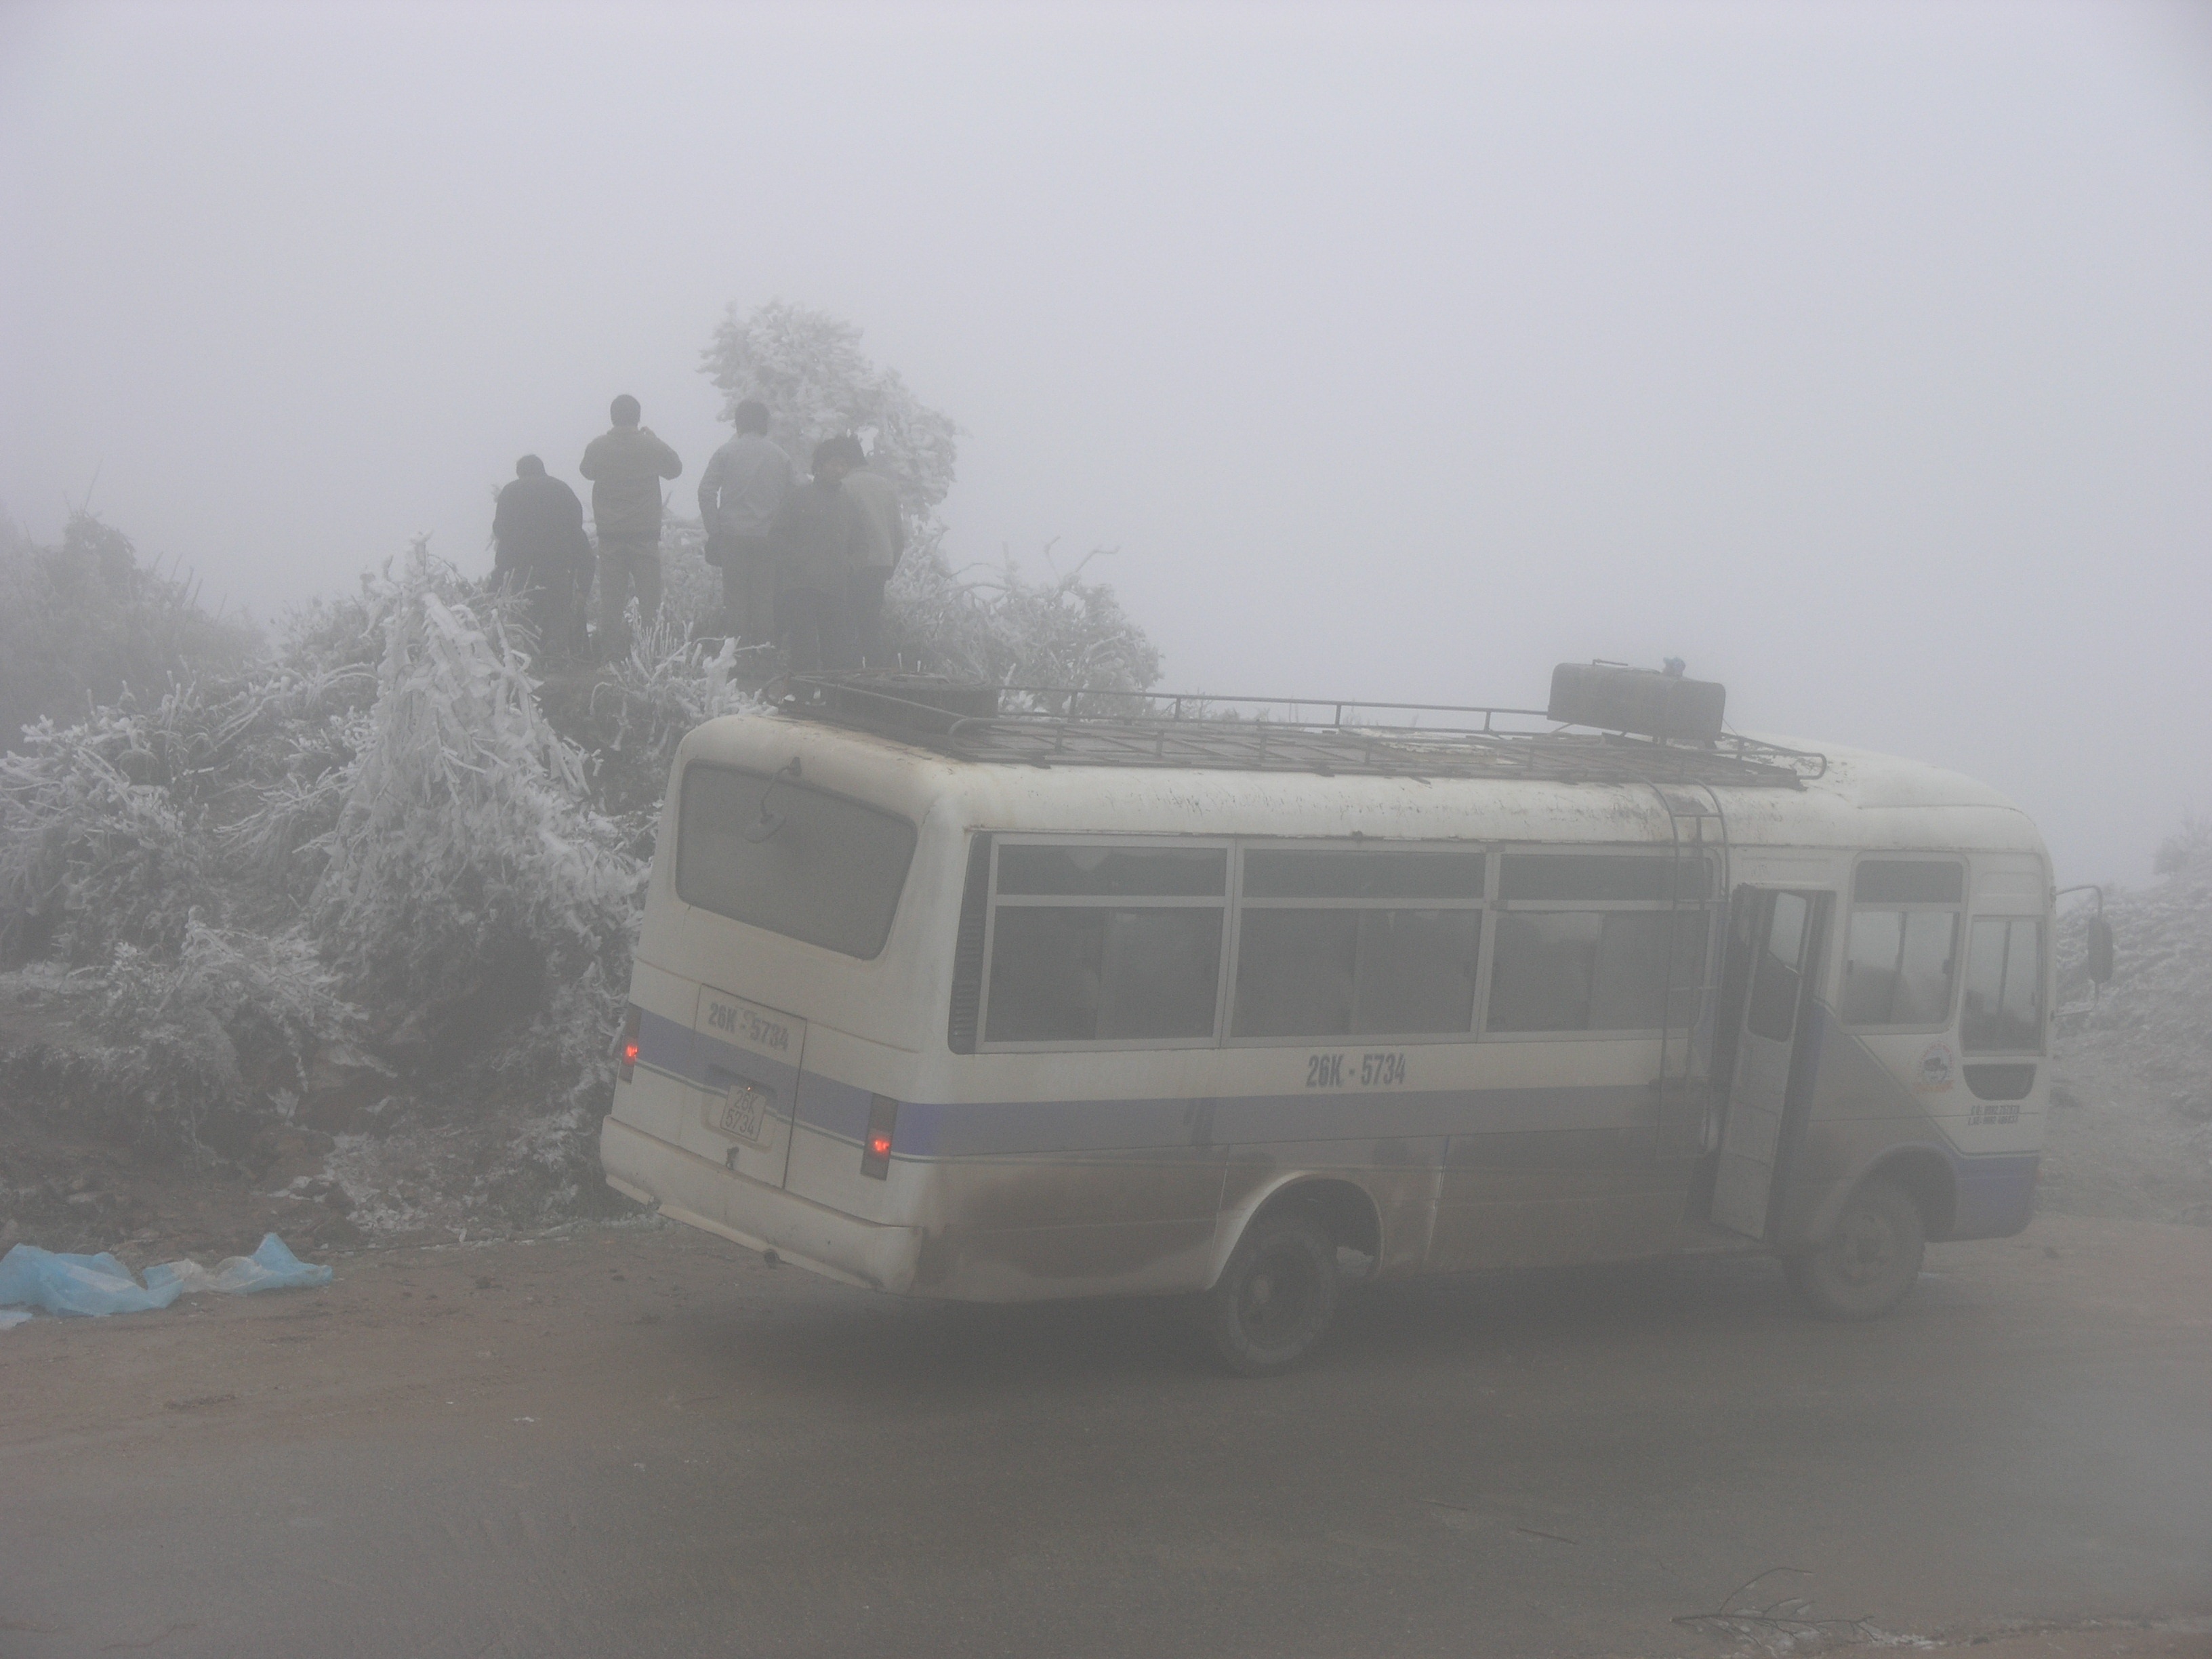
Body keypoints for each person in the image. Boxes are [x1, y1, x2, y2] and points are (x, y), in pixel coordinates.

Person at [578, 394, 681, 657]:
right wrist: (654, 439)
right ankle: (652, 654)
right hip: (644, 534)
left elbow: (586, 471)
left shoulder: (598, 446)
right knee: (650, 599)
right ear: (638, 416)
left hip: (611, 535)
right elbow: (674, 469)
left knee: (611, 600)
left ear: (612, 416)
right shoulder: (650, 446)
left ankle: (610, 655)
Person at [767, 437, 872, 673]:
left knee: (835, 651)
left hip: (834, 589)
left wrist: (850, 566)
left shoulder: (850, 502)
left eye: (844, 465)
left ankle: (830, 700)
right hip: (799, 587)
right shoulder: (799, 497)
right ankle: (800, 699)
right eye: (834, 463)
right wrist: (794, 562)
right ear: (820, 465)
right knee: (803, 649)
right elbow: (776, 536)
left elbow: (862, 545)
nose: (839, 470)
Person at [696, 399, 793, 647]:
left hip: (732, 537)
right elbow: (797, 493)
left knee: (736, 602)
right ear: (765, 424)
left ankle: (737, 658)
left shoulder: (726, 452)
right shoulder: (780, 456)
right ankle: (763, 658)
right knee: (764, 601)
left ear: (738, 423)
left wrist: (714, 531)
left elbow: (706, 491)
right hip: (767, 538)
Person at [490, 455, 591, 664]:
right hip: (559, 565)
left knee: (525, 618)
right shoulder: (562, 489)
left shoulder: (510, 492)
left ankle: (529, 666)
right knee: (557, 613)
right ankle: (558, 659)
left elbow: (500, 529)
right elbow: (576, 528)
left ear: (520, 473)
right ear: (542, 469)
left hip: (522, 567)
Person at [834, 434, 905, 665]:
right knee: (871, 624)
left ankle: (848, 678)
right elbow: (899, 533)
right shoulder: (885, 486)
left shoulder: (843, 486)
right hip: (882, 563)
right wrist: (891, 564)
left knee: (846, 625)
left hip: (853, 564)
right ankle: (878, 674)